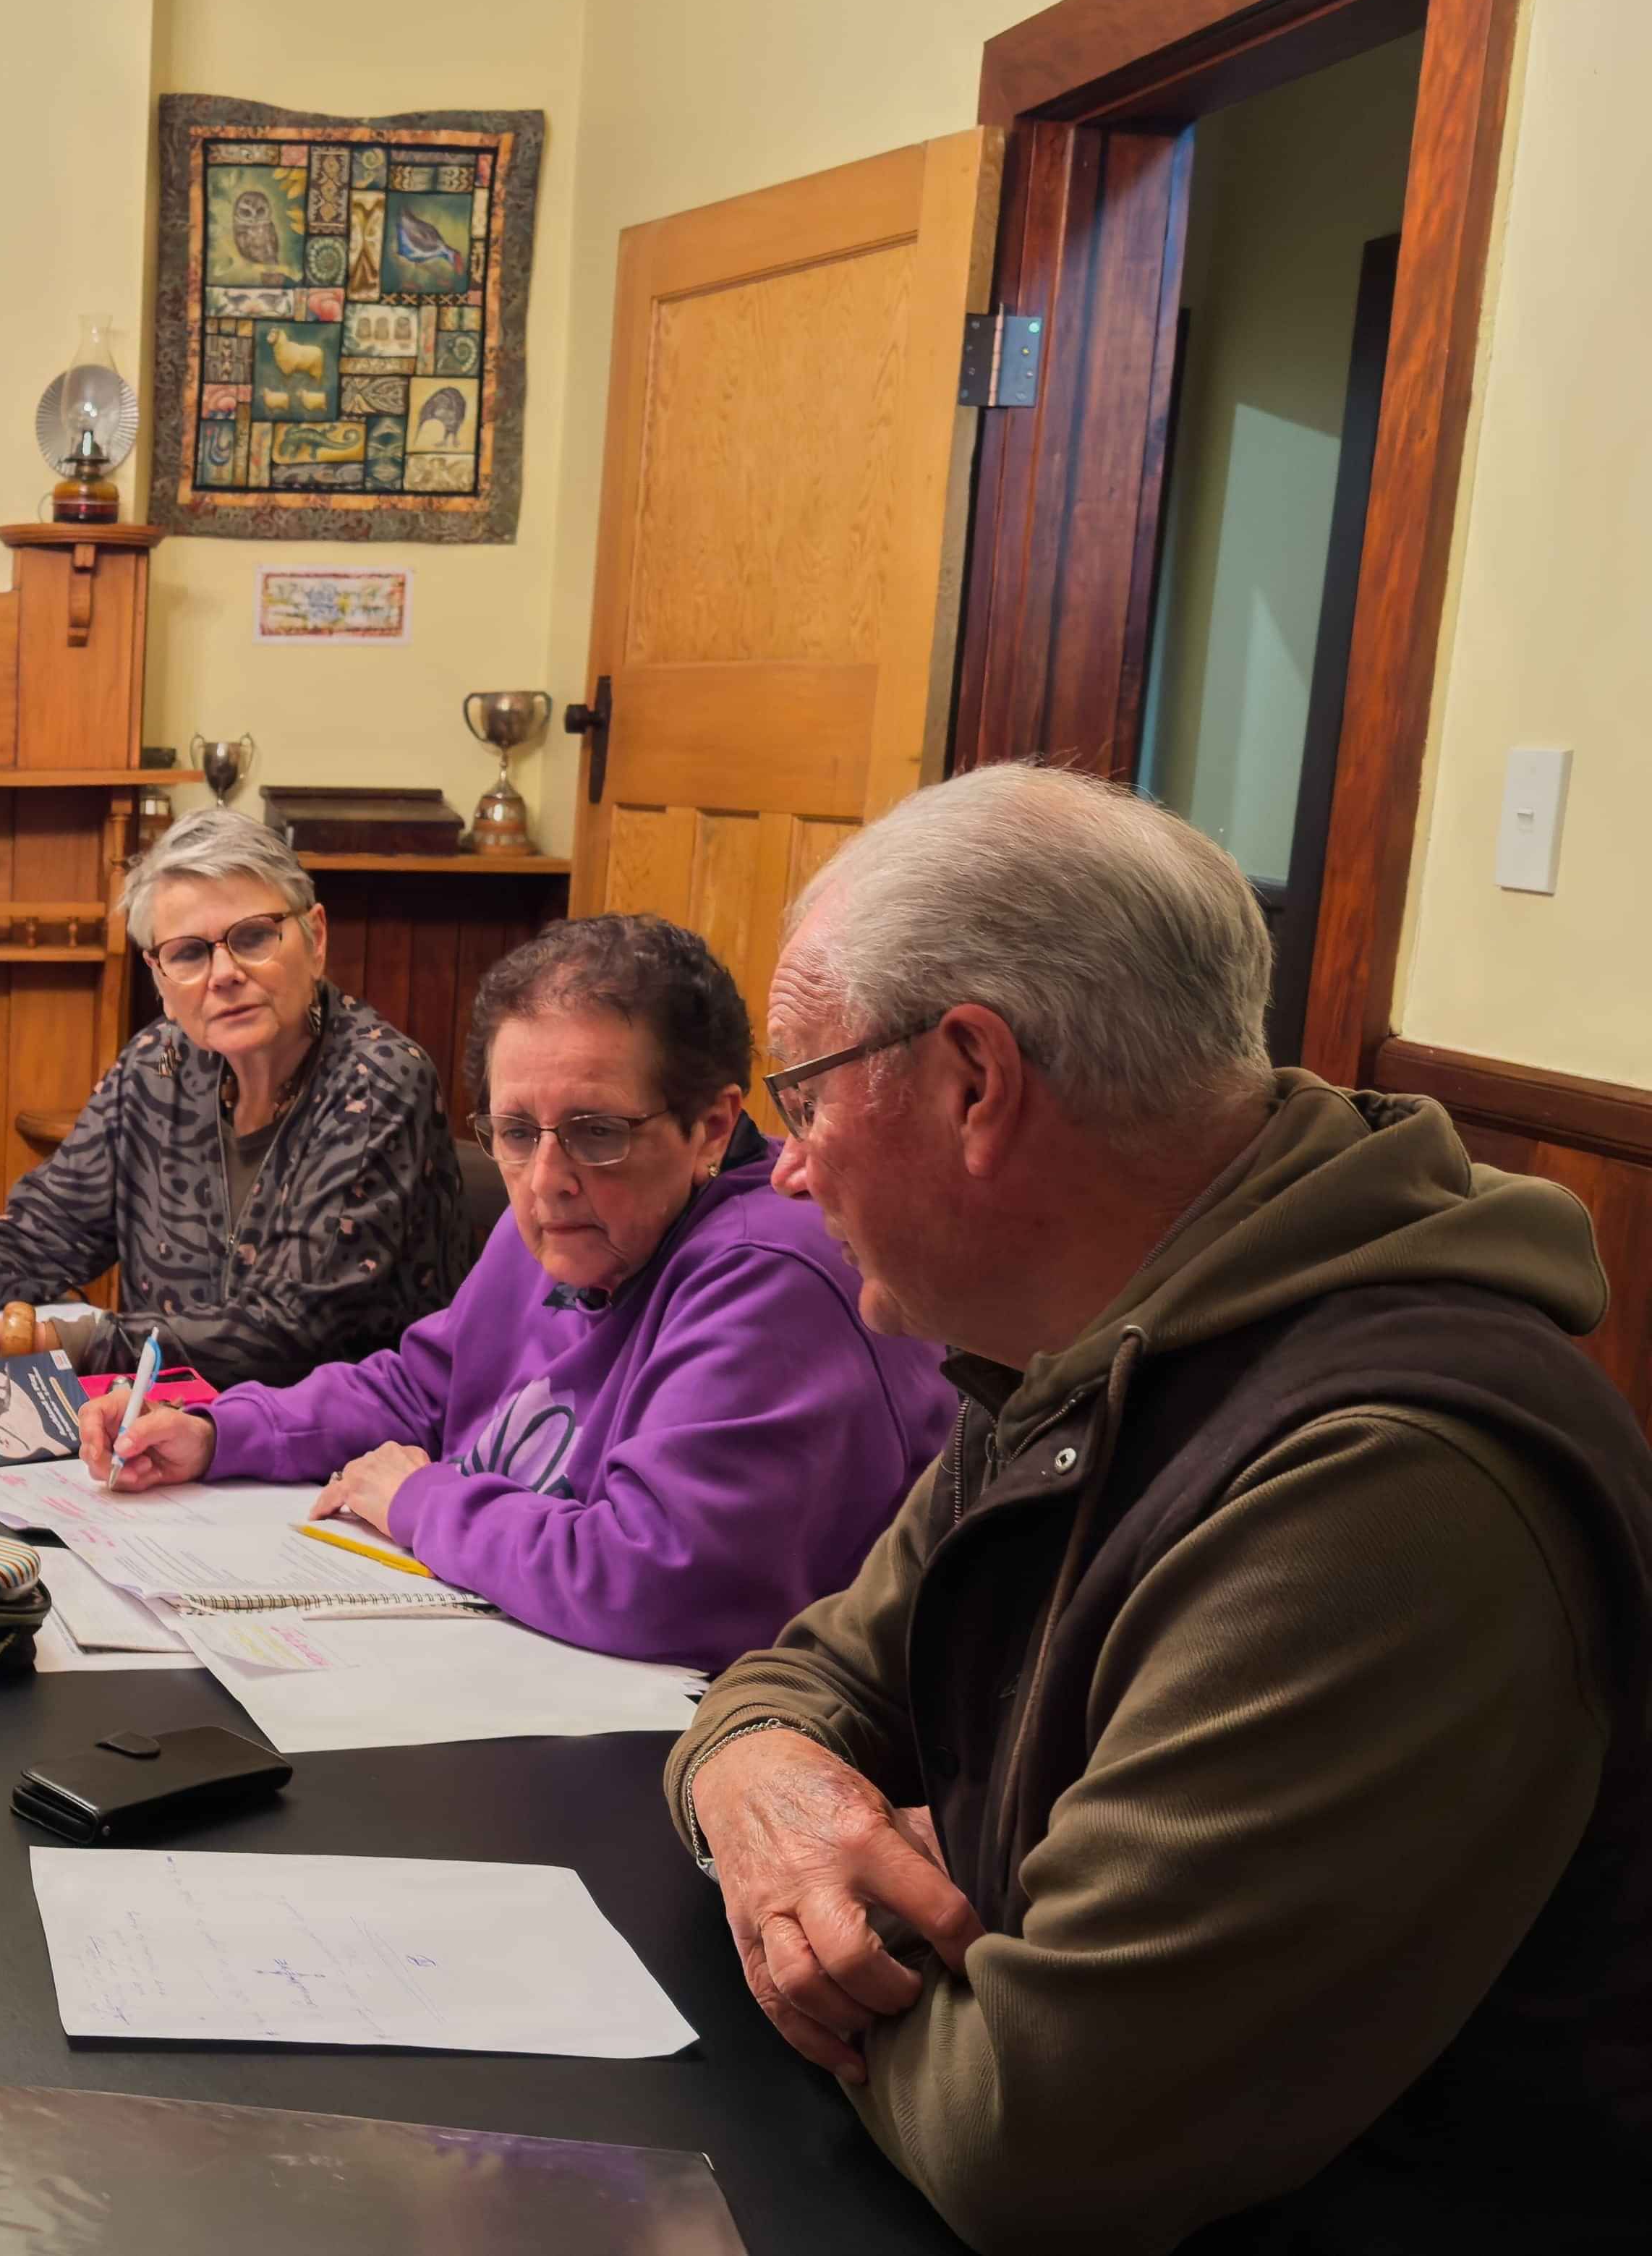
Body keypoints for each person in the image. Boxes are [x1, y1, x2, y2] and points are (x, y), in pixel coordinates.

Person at [670, 764, 1652, 2247]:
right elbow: (796, 1678)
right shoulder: (1090, 1343)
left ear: (974, 1080)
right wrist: (767, 1800)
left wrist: (839, 1924)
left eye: (801, 1091)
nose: (787, 1166)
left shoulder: (1388, 1487)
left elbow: (1038, 2129)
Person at [77, 915, 953, 1669]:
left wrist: (422, 1502)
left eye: (597, 1131)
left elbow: (657, 1578)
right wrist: (215, 1431)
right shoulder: (560, 1225)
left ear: (711, 1127)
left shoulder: (776, 1271)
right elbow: (419, 1389)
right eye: (513, 1131)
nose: (546, 1179)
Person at [0, 808, 464, 1387]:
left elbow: (291, 1332)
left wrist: (26, 1338)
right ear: (158, 972)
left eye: (252, 936)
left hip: (336, 1452)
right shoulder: (159, 1064)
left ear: (315, 935)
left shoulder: (377, 1080)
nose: (224, 973)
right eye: (189, 952)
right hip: (158, 1430)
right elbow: (48, 1231)